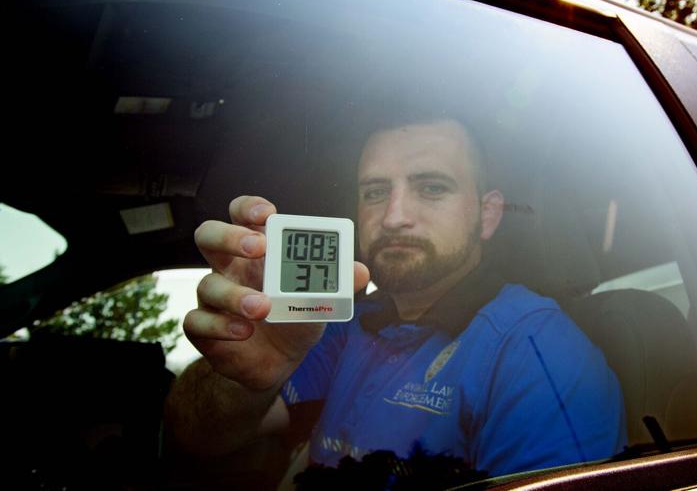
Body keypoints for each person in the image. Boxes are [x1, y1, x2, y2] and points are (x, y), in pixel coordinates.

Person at [165, 117, 626, 483]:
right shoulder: (339, 322)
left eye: (432, 188)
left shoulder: (542, 356)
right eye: (375, 192)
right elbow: (198, 436)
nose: (394, 216)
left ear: (487, 215)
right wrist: (242, 373)